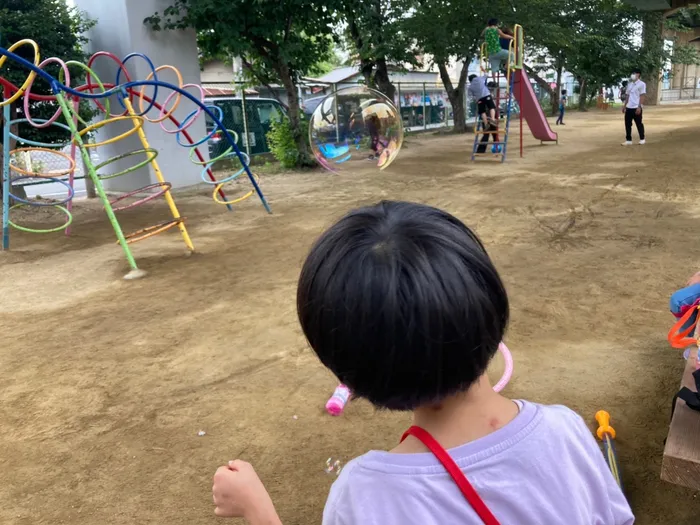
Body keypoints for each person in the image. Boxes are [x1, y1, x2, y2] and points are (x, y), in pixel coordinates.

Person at [212, 201, 635, 525]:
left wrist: (258, 510)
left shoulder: (364, 495)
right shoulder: (565, 429)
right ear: (489, 312)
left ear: (346, 375)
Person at [622, 68, 646, 146]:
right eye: (632, 73)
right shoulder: (630, 84)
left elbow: (642, 96)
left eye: (634, 73)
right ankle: (628, 140)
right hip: (629, 107)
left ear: (638, 74)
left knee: (639, 123)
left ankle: (642, 138)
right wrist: (624, 106)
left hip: (636, 107)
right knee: (627, 124)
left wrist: (639, 106)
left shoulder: (642, 84)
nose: (632, 75)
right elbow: (627, 95)